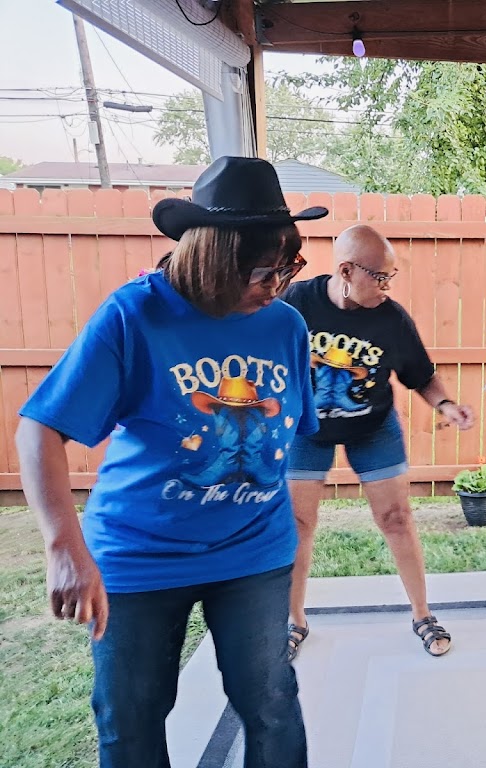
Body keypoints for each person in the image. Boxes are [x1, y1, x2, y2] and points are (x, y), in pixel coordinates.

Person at [15, 156, 322, 768]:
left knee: (271, 704)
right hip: (140, 555)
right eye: (265, 271)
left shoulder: (285, 325)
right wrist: (64, 548)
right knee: (131, 718)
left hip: (254, 551)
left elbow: (290, 428)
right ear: (214, 259)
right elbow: (39, 431)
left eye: (290, 267)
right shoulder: (134, 316)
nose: (278, 285)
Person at [282, 224, 475, 660]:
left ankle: (423, 614)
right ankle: (293, 620)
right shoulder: (296, 303)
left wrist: (446, 404)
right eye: (380, 277)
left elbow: (420, 375)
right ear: (346, 271)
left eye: (391, 276)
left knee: (396, 518)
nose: (387, 286)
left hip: (372, 427)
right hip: (306, 428)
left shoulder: (391, 319)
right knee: (298, 524)